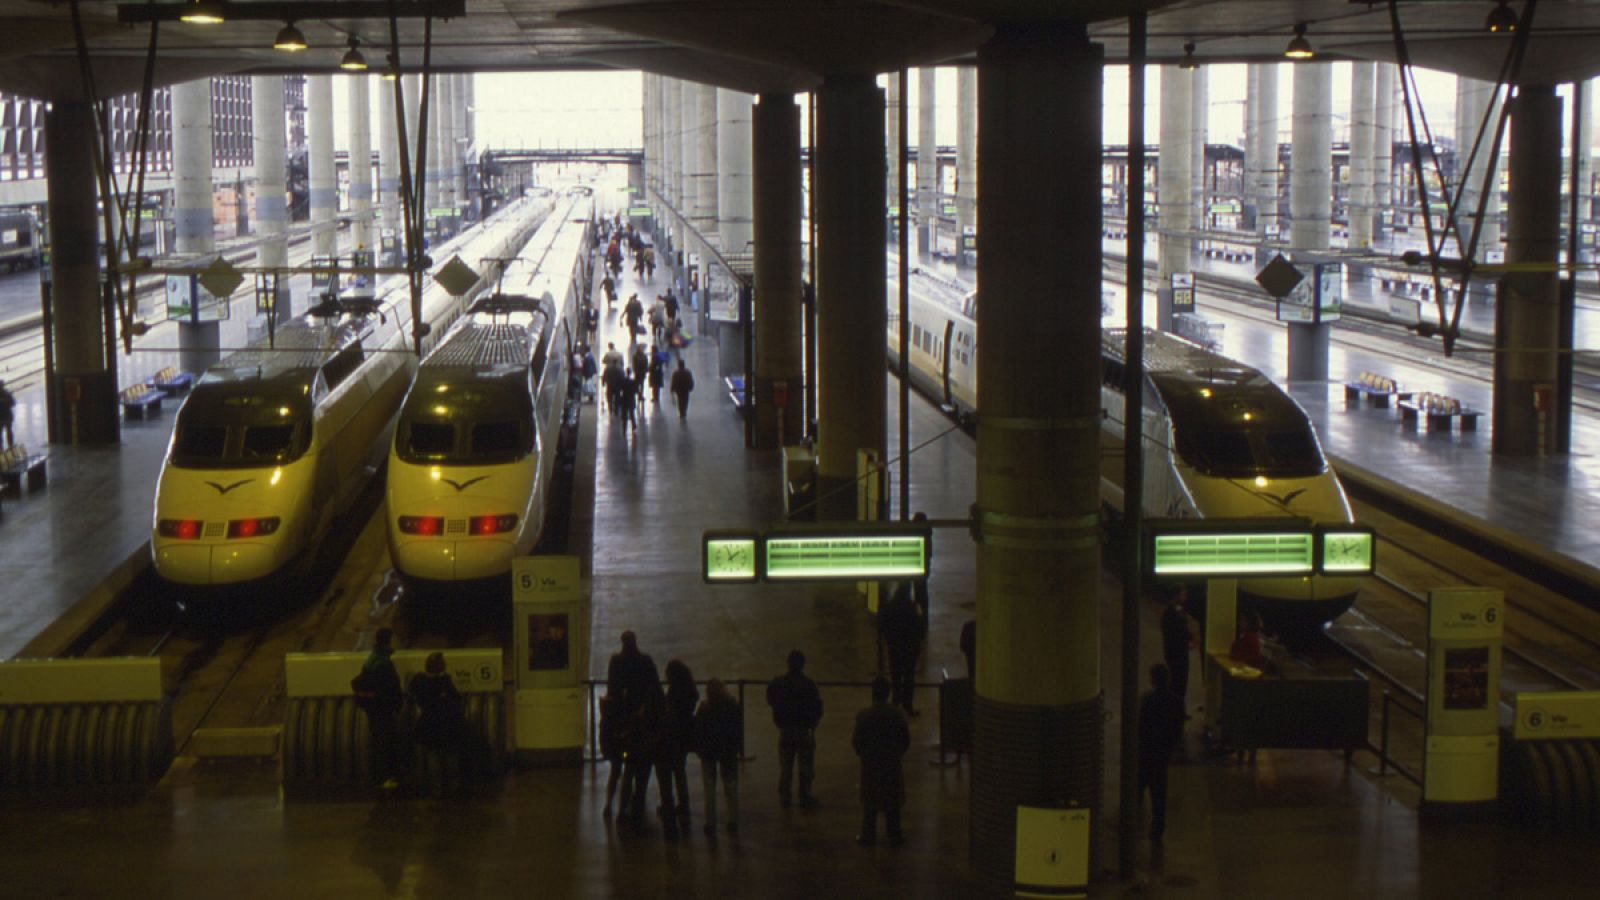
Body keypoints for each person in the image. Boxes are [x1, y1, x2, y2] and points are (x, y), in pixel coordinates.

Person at [852, 676, 911, 847]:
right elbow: (905, 741)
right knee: (892, 802)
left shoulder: (864, 716)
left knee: (870, 802)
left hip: (871, 764)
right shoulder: (898, 715)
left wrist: (865, 755)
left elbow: (857, 742)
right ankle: (895, 834)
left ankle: (868, 835)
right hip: (892, 763)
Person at [766, 649, 822, 808]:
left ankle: (785, 796)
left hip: (786, 730)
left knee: (786, 766)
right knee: (805, 766)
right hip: (804, 731)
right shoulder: (809, 685)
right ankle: (805, 795)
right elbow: (818, 708)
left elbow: (770, 698)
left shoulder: (779, 683)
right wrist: (813, 723)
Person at [408, 651, 467, 798]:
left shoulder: (419, 682)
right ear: (440, 667)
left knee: (433, 757)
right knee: (451, 757)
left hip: (429, 725)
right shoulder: (444, 683)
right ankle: (453, 789)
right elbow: (456, 700)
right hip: (447, 725)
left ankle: (437, 790)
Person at [1138, 663, 1185, 842]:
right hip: (1162, 754)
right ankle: (1157, 828)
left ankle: (1132, 823)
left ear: (1152, 680)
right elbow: (1177, 729)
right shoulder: (1177, 701)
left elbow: (1141, 727)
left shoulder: (1147, 700)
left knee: (1139, 785)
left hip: (1146, 752)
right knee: (1159, 793)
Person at [356, 628, 404, 791]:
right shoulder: (382, 662)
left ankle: (378, 777)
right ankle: (383, 777)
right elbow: (389, 688)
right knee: (384, 743)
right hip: (382, 709)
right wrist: (396, 704)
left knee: (378, 741)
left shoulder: (372, 659)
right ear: (389, 640)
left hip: (374, 708)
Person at [694, 678, 743, 839]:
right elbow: (737, 729)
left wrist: (700, 750)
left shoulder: (704, 708)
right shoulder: (732, 706)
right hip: (728, 752)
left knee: (709, 788)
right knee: (730, 787)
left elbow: (698, 731)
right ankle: (733, 820)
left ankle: (710, 822)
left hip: (708, 753)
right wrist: (735, 748)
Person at [657, 659, 699, 838]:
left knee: (670, 771)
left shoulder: (673, 692)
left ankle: (671, 806)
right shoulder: (691, 690)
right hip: (685, 734)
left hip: (673, 735)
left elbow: (668, 709)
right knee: (680, 770)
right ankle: (684, 803)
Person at [879, 581, 925, 716]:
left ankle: (896, 701)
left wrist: (889, 640)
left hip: (894, 648)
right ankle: (908, 704)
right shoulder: (913, 608)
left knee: (896, 675)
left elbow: (883, 626)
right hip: (910, 649)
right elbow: (921, 629)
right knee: (909, 676)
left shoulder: (890, 607)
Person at [1160, 585, 1196, 711]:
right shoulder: (1171, 613)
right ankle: (1176, 709)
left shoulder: (1175, 611)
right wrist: (1188, 641)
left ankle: (1178, 708)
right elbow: (1175, 633)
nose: (1185, 597)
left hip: (1177, 651)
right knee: (1178, 681)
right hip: (1177, 652)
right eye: (1182, 594)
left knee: (1179, 681)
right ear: (1176, 596)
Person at [0, 378, 14, 450]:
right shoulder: (7, 394)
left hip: (5, 417)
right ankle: (10, 446)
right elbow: (13, 403)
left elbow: (12, 403)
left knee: (5, 432)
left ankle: (4, 447)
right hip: (7, 417)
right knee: (8, 432)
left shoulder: (7, 394)